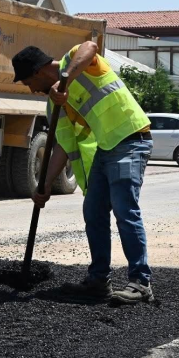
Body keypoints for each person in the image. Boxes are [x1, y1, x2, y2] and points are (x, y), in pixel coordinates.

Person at [11, 42, 155, 304]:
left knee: (125, 210)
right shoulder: (54, 106)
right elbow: (63, 147)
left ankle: (140, 283)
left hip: (131, 138)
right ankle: (99, 281)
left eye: (28, 82)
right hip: (105, 149)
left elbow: (91, 45)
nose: (31, 89)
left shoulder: (76, 61)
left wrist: (65, 80)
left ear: (38, 71)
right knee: (93, 212)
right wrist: (43, 185)